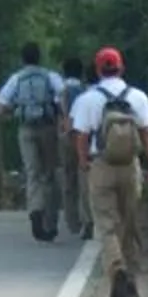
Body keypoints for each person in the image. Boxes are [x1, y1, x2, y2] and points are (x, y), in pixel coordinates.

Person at [70, 47, 148, 297]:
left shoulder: (88, 99)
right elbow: (147, 134)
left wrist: (83, 162)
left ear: (99, 70)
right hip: (130, 166)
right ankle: (132, 283)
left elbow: (80, 136)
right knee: (130, 224)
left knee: (106, 224)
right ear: (121, 68)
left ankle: (116, 269)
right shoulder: (138, 97)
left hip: (101, 164)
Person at [0, 41, 65, 242]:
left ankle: (35, 210)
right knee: (49, 174)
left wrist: (15, 112)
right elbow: (62, 98)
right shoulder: (50, 77)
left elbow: (1, 106)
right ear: (39, 57)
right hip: (48, 128)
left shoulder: (16, 79)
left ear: (22, 59)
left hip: (26, 129)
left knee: (32, 173)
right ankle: (50, 221)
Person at [58, 55, 91, 241]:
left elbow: (59, 113)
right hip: (83, 135)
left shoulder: (62, 90)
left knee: (68, 178)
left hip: (66, 136)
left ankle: (72, 220)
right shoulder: (85, 91)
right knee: (84, 177)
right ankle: (87, 218)